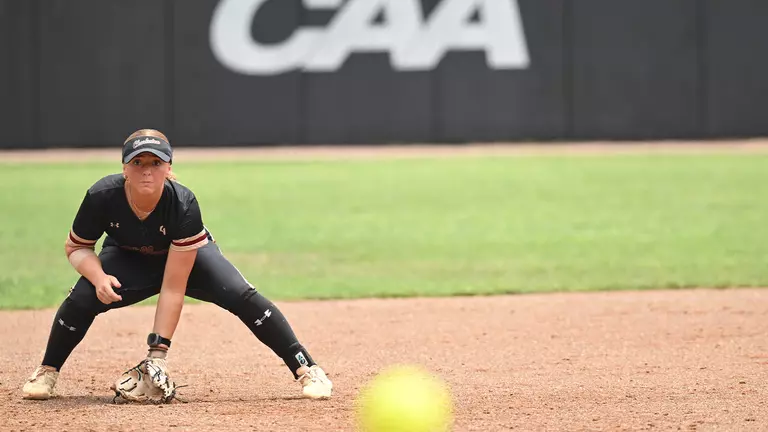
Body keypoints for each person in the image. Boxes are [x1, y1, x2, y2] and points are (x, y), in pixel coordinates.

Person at [22, 129, 332, 401]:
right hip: (128, 258)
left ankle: (308, 369)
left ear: (169, 168)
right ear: (124, 168)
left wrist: (157, 355)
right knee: (82, 297)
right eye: (138, 163)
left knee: (240, 294)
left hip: (189, 258)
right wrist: (98, 276)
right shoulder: (102, 196)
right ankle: (47, 371)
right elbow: (76, 247)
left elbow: (172, 286)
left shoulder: (182, 204)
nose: (147, 171)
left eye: (156, 163)